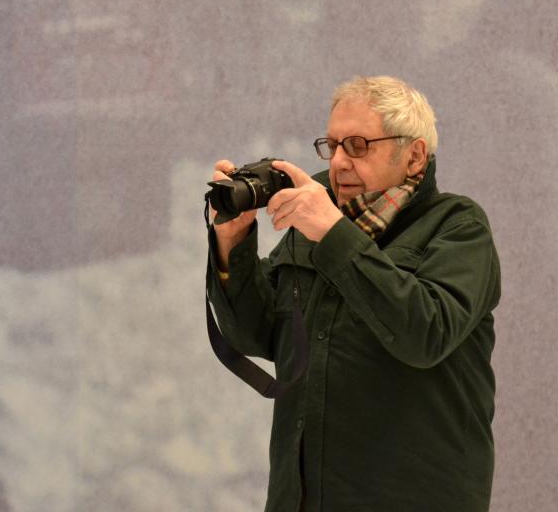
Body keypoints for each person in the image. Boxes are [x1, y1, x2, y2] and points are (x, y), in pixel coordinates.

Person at [206, 76, 501, 512]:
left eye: (359, 145)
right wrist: (232, 244)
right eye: (332, 145)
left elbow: (426, 333)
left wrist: (333, 233)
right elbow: (259, 335)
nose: (340, 161)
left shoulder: (458, 226)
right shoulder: (317, 221)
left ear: (414, 156)